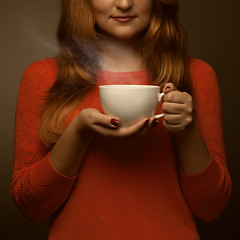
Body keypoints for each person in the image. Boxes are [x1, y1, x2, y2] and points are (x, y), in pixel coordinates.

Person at [11, 0, 232, 239]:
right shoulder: (44, 77)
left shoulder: (197, 75)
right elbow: (30, 206)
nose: (124, 3)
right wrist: (78, 133)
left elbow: (212, 209)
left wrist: (188, 131)